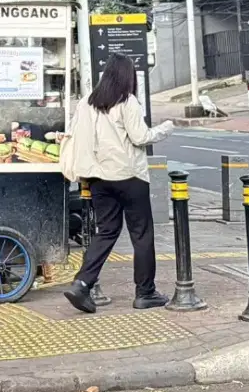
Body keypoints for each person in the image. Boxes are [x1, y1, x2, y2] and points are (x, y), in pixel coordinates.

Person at [61, 53, 174, 314]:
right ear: (127, 76)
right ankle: (145, 293)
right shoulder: (127, 101)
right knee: (141, 235)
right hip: (130, 178)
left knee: (107, 231)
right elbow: (140, 137)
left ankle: (81, 284)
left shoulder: (87, 104)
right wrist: (166, 129)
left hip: (99, 179)